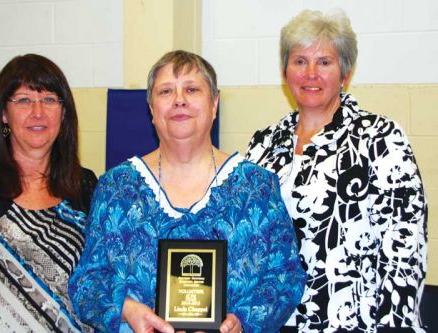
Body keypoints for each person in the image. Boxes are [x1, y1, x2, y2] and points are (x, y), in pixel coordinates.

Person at [69, 50, 306, 333]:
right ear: (151, 108)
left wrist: (242, 321)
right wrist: (127, 310)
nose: (179, 100)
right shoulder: (116, 189)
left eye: (192, 90)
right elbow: (87, 282)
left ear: (214, 103)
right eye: (166, 91)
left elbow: (285, 277)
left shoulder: (256, 186)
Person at [246, 9, 428, 333]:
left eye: (324, 62)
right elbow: (245, 237)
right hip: (272, 322)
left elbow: (405, 244)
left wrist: (395, 325)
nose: (310, 73)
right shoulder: (262, 146)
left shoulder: (380, 139)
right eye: (300, 61)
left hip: (352, 322)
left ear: (345, 72)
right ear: (285, 71)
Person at [0, 54, 97, 332]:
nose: (38, 112)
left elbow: (99, 281)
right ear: (3, 113)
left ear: (63, 112)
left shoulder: (85, 186)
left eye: (49, 99)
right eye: (23, 100)